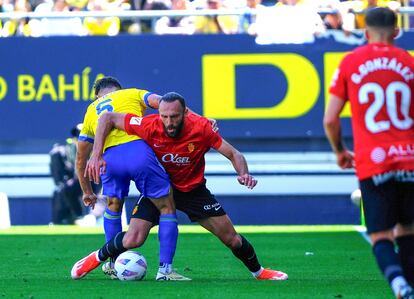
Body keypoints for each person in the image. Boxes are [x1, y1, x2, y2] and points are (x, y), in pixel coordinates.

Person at [71, 92, 288, 281]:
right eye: (163, 116)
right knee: (133, 239)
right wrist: (97, 153)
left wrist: (243, 174)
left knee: (231, 239)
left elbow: (234, 154)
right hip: (160, 189)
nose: (168, 122)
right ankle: (94, 258)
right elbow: (107, 117)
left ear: (185, 113)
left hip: (193, 191)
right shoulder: (149, 125)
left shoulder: (202, 128)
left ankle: (259, 272)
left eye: (174, 117)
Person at [324, 7, 414, 299]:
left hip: (374, 163)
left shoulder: (351, 62)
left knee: (380, 236)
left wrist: (340, 150)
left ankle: (399, 284)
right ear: (397, 31)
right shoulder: (409, 63)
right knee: (408, 231)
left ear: (365, 32)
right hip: (409, 159)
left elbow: (330, 119)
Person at [74, 77, 188, 281]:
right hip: (137, 153)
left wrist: (87, 192)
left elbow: (81, 159)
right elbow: (165, 103)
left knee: (113, 206)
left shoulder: (92, 109)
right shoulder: (132, 93)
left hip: (109, 161)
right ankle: (165, 270)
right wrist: (197, 119)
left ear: (97, 95)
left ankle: (112, 263)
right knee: (166, 207)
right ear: (118, 89)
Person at [50, 124, 88, 224]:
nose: (79, 137)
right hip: (82, 180)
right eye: (78, 135)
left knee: (103, 194)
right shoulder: (71, 148)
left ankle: (92, 218)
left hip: (99, 179)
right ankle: (78, 217)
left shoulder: (99, 144)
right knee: (66, 189)